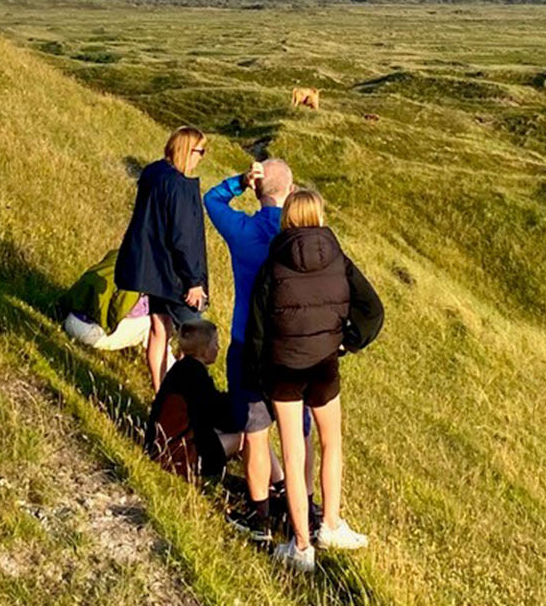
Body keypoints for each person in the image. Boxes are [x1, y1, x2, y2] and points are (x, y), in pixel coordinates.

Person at [244, 189, 385, 571]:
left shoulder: (273, 262)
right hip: (325, 363)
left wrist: (257, 371)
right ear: (320, 215)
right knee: (331, 442)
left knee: (293, 452)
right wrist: (349, 342)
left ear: (287, 217)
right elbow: (373, 309)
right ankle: (332, 524)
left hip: (283, 368)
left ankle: (301, 545)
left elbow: (256, 327)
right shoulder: (338, 258)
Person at [206, 158, 308, 541]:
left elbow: (212, 200)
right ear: (290, 190)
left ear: (257, 188)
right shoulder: (298, 234)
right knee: (297, 436)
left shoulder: (243, 231)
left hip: (247, 343)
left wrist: (238, 182)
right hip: (291, 348)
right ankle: (305, 509)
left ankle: (259, 514)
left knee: (255, 432)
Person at [114, 126, 209, 392]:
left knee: (159, 329)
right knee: (196, 336)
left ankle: (160, 391)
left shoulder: (153, 172)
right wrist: (193, 281)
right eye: (201, 151)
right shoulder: (179, 185)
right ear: (188, 151)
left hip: (152, 272)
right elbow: (183, 238)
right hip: (176, 275)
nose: (201, 157)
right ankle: (182, 396)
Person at [147, 319, 243, 482]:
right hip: (178, 457)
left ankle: (269, 481)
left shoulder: (180, 369)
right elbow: (217, 414)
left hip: (158, 448)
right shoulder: (197, 377)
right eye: (215, 344)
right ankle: (273, 483)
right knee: (249, 437)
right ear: (204, 351)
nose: (218, 348)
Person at [59, 247, 151, 351]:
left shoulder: (119, 253)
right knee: (154, 322)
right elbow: (117, 313)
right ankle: (166, 361)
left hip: (70, 318)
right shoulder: (137, 280)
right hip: (90, 334)